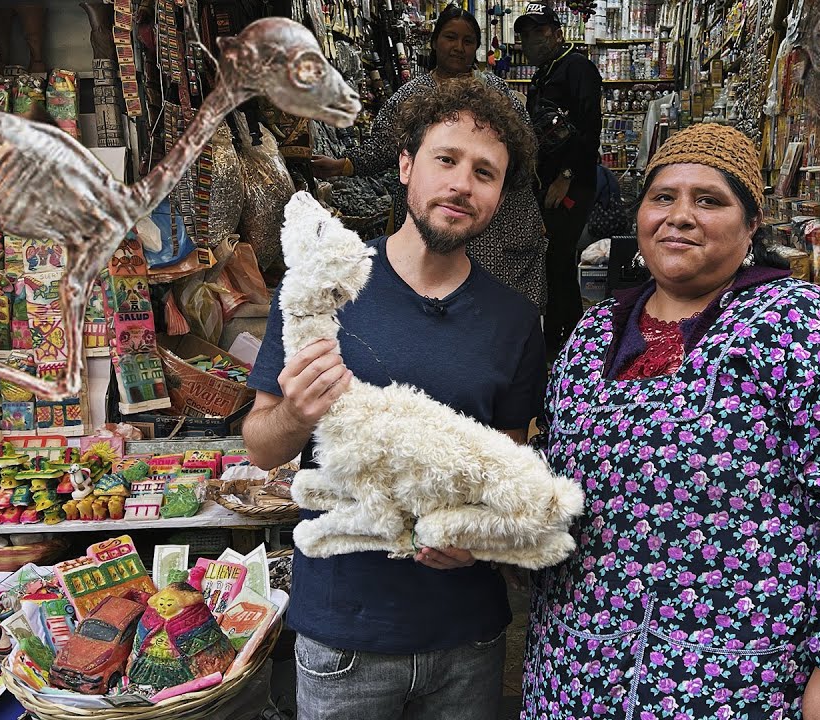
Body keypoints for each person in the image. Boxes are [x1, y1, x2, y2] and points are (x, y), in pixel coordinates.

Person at [521, 124, 820, 720]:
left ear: (751, 226)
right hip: (581, 670)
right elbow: (556, 490)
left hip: (743, 678)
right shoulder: (593, 336)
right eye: (663, 197)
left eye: (709, 200)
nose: (679, 216)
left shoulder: (798, 325)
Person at [244, 81, 546, 720]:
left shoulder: (514, 320)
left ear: (498, 195)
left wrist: (481, 539)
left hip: (467, 636)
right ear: (407, 164)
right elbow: (261, 443)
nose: (462, 184)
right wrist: (297, 412)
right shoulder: (326, 286)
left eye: (484, 172)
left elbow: (508, 460)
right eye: (446, 159)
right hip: (345, 636)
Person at [312, 5, 547, 309]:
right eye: (451, 37)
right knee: (430, 300)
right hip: (436, 223)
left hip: (500, 227)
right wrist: (343, 166)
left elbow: (522, 159)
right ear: (435, 41)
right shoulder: (413, 94)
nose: (458, 47)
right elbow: (383, 146)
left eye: (467, 41)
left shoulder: (498, 92)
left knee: (499, 311)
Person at [514, 1, 602, 351]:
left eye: (539, 31)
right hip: (545, 182)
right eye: (525, 34)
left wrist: (566, 174)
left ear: (556, 32)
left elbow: (590, 128)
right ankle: (562, 336)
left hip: (571, 183)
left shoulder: (577, 68)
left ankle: (562, 337)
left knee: (557, 256)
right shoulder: (543, 74)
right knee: (556, 261)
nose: (531, 40)